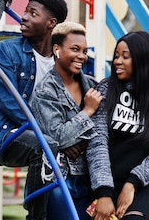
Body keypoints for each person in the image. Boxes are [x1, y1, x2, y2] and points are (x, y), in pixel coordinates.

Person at [0, 0, 68, 220]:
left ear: (50, 23)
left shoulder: (61, 62)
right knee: (45, 145)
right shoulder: (8, 50)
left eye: (32, 13)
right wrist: (44, 129)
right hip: (5, 138)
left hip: (46, 139)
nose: (24, 17)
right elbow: (8, 100)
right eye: (26, 11)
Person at [86, 31, 149, 220]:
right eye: (116, 56)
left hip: (143, 184)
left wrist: (132, 183)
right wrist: (104, 192)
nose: (117, 61)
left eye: (125, 57)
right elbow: (97, 143)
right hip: (103, 183)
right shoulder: (104, 90)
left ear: (143, 59)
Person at [30, 21, 102, 220]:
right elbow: (57, 137)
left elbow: (103, 131)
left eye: (85, 51)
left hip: (91, 178)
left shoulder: (93, 87)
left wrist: (77, 140)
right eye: (75, 49)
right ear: (57, 50)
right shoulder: (46, 90)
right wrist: (87, 111)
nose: (82, 56)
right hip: (60, 179)